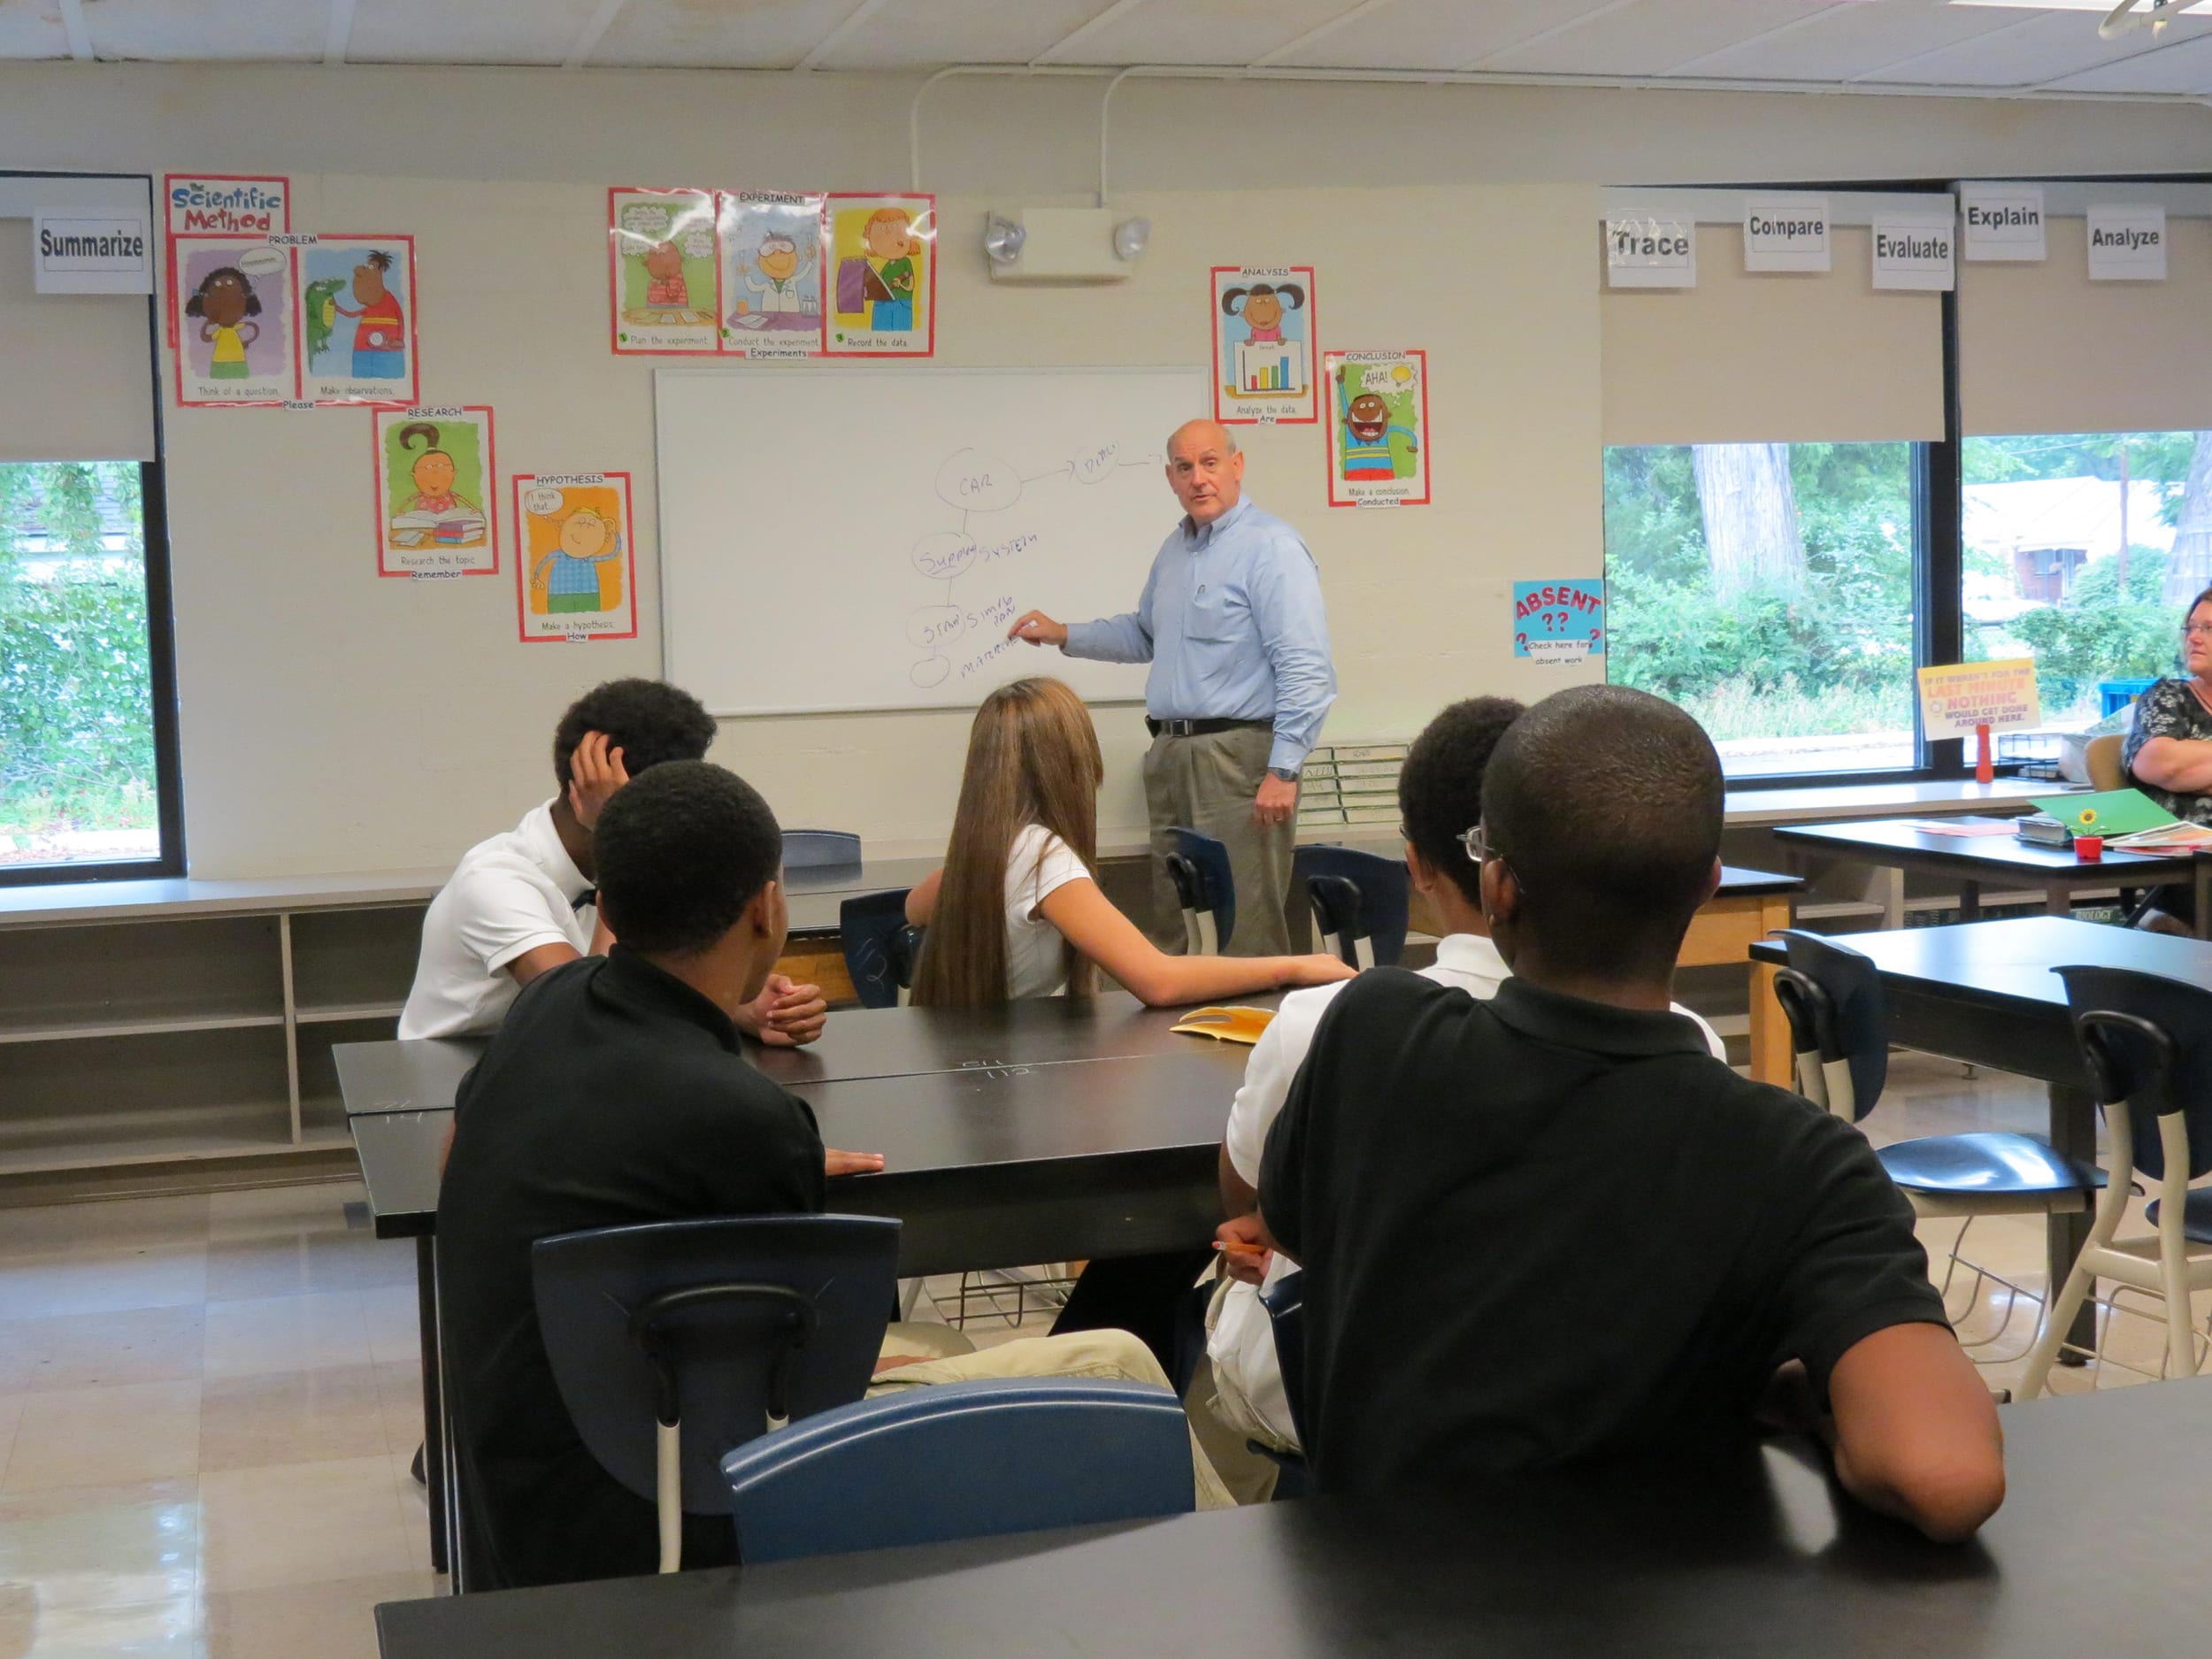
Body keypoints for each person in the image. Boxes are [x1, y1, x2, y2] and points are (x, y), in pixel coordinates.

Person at [438, 761, 1229, 1586]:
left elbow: (475, 1157)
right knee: (1117, 1361)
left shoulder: (546, 1007)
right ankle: (1237, 1589)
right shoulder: (742, 1117)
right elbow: (802, 1388)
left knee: (936, 1342)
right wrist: (765, 1148)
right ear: (767, 908)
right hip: (681, 1500)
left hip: (531, 1510)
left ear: (605, 909)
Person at [1258, 685, 2006, 1542]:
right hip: (1658, 1602)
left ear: (1496, 885)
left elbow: (1296, 1225)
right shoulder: (1798, 1161)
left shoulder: (1374, 1030)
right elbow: (1944, 1474)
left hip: (1374, 1601)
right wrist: (1800, 1391)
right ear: (1708, 885)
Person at [1200, 695, 1729, 1481]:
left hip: (1349, 1441)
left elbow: (1251, 1195)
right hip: (1596, 1447)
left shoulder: (1331, 1020)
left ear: (1423, 865)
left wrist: (1281, 1230)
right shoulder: (1694, 1045)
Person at [1006, 419, 1335, 958]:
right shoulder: (1175, 551)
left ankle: (1254, 1015)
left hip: (1237, 760)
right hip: (1170, 755)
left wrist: (1284, 770)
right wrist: (1064, 633)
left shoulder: (1271, 546)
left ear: (1237, 466)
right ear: (1170, 478)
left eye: (1210, 463)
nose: (1198, 478)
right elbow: (1144, 635)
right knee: (1176, 920)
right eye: (1185, 467)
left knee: (1243, 926)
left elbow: (1307, 667)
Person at [398, 677, 825, 1048]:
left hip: (558, 1068)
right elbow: (593, 1014)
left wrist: (737, 1008)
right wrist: (617, 833)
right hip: (450, 1082)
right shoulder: (493, 880)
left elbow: (654, 989)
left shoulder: (658, 860)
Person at [903, 677, 1354, 1008]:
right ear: (1071, 763)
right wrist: (1293, 966)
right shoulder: (1043, 860)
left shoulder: (988, 850)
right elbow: (1158, 981)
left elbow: (912, 908)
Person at [2122, 583, 2212, 929]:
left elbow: (2181, 765)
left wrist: (2198, 769)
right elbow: (2162, 765)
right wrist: (2185, 770)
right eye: (2191, 627)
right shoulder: (2168, 698)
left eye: (2208, 628)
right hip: (2190, 870)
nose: (2194, 638)